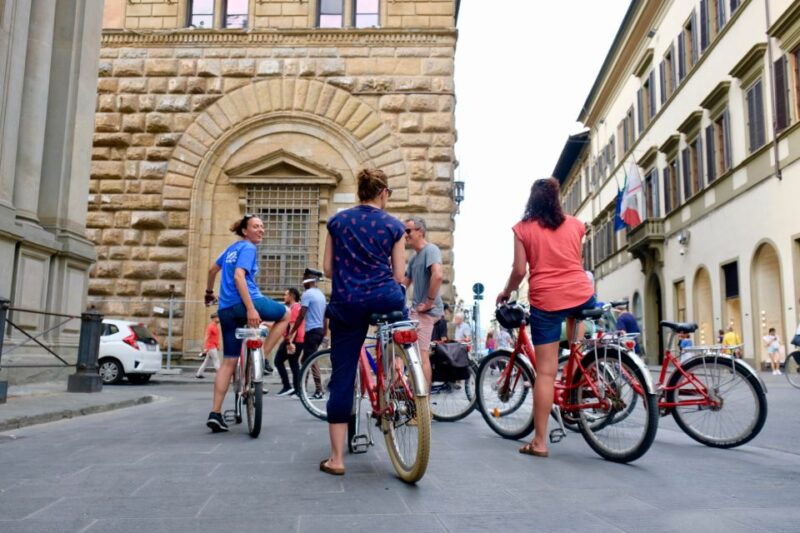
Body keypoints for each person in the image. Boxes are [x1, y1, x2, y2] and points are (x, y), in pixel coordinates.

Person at [496, 177, 595, 458]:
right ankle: (577, 373)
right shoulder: (576, 225)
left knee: (547, 373)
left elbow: (518, 270)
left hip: (548, 299)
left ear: (532, 199)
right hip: (581, 294)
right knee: (575, 337)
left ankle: (539, 442)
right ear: (557, 199)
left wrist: (506, 292)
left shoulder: (522, 229)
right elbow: (576, 260)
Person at [320, 168, 407, 476]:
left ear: (360, 191)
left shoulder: (337, 222)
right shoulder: (394, 226)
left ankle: (336, 459)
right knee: (399, 309)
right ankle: (400, 367)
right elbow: (398, 275)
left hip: (348, 301)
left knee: (342, 377)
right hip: (386, 298)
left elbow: (328, 269)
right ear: (383, 193)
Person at [203, 214, 290, 432]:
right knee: (286, 314)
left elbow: (212, 270)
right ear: (245, 231)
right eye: (255, 226)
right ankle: (263, 356)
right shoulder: (249, 248)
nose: (261, 230)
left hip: (225, 309)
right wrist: (251, 308)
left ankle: (215, 413)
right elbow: (239, 277)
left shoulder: (230, 249)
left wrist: (208, 293)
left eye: (262, 226)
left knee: (228, 362)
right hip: (246, 302)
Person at [402, 216, 444, 390]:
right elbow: (403, 284)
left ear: (420, 231)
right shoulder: (414, 258)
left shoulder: (431, 250)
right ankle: (414, 394)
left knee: (421, 355)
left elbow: (438, 275)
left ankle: (424, 407)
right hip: (416, 312)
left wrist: (429, 302)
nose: (405, 235)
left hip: (427, 312)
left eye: (408, 231)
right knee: (408, 353)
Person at [289, 268, 327, 398]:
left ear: (309, 280)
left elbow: (301, 315)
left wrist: (292, 332)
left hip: (312, 331)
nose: (302, 281)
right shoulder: (320, 294)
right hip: (319, 330)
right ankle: (302, 389)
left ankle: (318, 390)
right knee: (305, 359)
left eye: (304, 278)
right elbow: (324, 316)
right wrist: (324, 333)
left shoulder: (307, 294)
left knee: (311, 360)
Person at [274, 288, 304, 396]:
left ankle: (288, 387)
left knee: (278, 361)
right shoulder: (292, 307)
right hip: (296, 340)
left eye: (286, 295)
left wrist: (289, 342)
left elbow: (293, 326)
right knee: (294, 364)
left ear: (292, 296)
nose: (284, 297)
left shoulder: (295, 307)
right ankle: (297, 389)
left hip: (293, 340)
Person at [196, 313, 221, 379]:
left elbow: (215, 337)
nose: (219, 319)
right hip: (211, 347)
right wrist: (205, 347)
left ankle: (199, 374)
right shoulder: (211, 327)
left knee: (206, 362)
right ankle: (220, 375)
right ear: (213, 319)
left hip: (212, 347)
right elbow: (206, 337)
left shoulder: (215, 326)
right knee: (216, 360)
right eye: (218, 317)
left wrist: (217, 345)